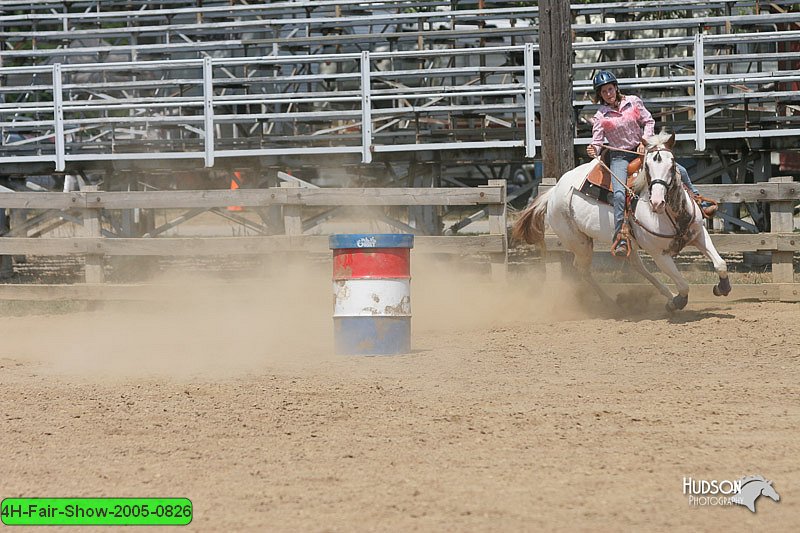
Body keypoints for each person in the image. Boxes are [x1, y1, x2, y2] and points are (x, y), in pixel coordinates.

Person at [587, 70, 715, 257]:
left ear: (615, 87)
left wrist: (644, 141)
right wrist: (594, 150)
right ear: (600, 95)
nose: (608, 93)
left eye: (610, 89)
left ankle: (698, 200)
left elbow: (648, 121)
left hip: (642, 151)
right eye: (604, 91)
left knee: (679, 171)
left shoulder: (633, 102)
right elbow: (597, 141)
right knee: (620, 194)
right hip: (619, 156)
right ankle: (620, 236)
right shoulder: (601, 116)